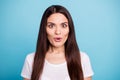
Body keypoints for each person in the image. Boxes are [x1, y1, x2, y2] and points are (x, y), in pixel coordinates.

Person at [21, 5, 94, 80]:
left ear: (70, 29)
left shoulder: (82, 59)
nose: (58, 32)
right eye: (51, 26)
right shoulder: (31, 59)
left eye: (63, 25)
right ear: (44, 29)